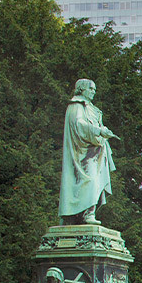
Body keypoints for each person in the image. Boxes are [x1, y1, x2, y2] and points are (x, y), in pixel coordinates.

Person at [60, 78, 119, 225]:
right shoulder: (76, 105)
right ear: (82, 89)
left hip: (96, 151)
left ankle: (88, 213)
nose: (93, 92)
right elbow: (79, 125)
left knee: (96, 181)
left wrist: (103, 131)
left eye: (94, 89)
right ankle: (83, 214)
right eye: (90, 88)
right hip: (82, 153)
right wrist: (99, 130)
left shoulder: (91, 107)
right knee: (90, 180)